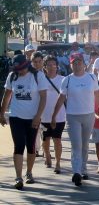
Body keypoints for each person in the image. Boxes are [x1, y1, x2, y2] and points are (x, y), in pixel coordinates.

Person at [51, 53, 99, 186]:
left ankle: (83, 168)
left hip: (89, 115)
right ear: (71, 65)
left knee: (85, 145)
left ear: (84, 64)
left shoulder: (91, 78)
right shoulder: (67, 80)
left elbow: (97, 94)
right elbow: (61, 98)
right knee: (76, 145)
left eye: (79, 62)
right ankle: (76, 172)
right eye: (74, 63)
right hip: (73, 116)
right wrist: (54, 115)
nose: (77, 65)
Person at [0, 54, 47, 190]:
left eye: (21, 68)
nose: (19, 71)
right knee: (18, 146)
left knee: (31, 146)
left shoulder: (38, 76)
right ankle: (18, 177)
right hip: (16, 117)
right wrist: (2, 113)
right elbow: (7, 95)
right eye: (17, 69)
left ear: (27, 65)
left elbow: (44, 97)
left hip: (32, 118)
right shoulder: (12, 76)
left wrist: (38, 116)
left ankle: (29, 172)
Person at [41, 55, 66, 174]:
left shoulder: (63, 79)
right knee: (45, 139)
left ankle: (58, 163)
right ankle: (47, 154)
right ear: (44, 67)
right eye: (49, 65)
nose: (51, 67)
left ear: (57, 66)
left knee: (57, 139)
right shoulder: (41, 79)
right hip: (44, 115)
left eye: (53, 65)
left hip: (59, 115)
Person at [31, 51, 45, 157]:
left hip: (47, 106)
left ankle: (45, 148)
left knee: (44, 129)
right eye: (35, 62)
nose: (37, 64)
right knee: (37, 128)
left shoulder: (46, 73)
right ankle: (36, 149)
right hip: (35, 106)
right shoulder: (29, 75)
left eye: (39, 61)